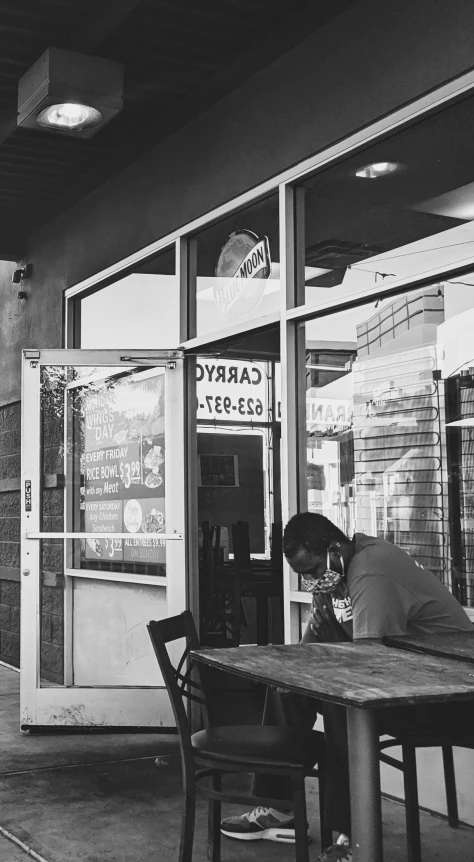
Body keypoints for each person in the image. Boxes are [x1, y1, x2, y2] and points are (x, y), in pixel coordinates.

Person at [220, 513, 473, 862]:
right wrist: (291, 669)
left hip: (446, 692)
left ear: (334, 549)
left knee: (343, 708)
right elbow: (316, 639)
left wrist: (331, 637)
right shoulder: (335, 574)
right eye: (302, 576)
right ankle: (279, 809)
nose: (310, 581)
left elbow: (365, 664)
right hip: (402, 679)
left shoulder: (371, 572)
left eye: (311, 571)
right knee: (288, 692)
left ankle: (347, 842)